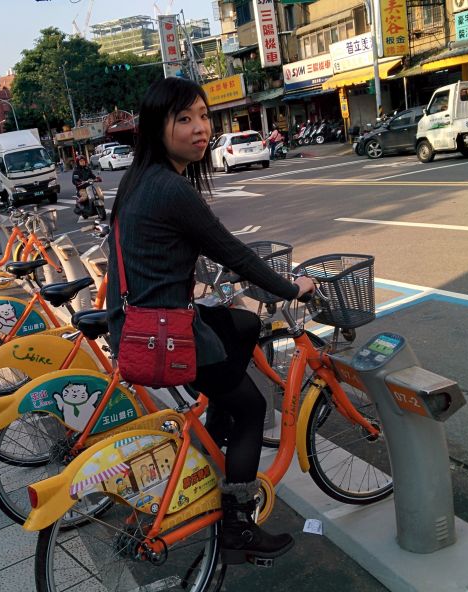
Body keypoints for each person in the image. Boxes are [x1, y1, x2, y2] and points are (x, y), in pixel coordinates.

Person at [106, 77, 315, 566]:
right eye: (185, 119)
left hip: (142, 322)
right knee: (250, 409)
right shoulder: (169, 189)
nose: (200, 129)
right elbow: (232, 251)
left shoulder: (140, 181)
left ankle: (216, 420)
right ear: (158, 128)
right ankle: (238, 525)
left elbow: (162, 252)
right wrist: (291, 287)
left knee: (242, 327)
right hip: (164, 335)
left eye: (204, 116)